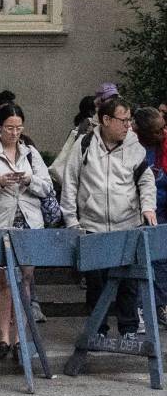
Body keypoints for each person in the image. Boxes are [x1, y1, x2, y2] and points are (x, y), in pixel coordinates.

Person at [60, 97, 157, 342]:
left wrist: (148, 208)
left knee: (128, 283)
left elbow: (146, 182)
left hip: (128, 225)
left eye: (129, 121)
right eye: (123, 120)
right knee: (96, 284)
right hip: (93, 227)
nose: (128, 126)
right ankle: (98, 330)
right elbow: (70, 184)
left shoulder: (135, 146)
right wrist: (72, 221)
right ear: (106, 120)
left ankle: (129, 330)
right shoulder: (84, 144)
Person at [0, 104, 54, 360]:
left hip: (27, 222)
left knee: (25, 278)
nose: (14, 133)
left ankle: (19, 338)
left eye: (18, 128)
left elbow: (47, 186)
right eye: (9, 128)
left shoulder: (31, 154)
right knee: (0, 281)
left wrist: (29, 180)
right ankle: (4, 337)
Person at [133, 107, 167, 328]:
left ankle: (161, 306)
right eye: (158, 130)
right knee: (139, 264)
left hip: (162, 213)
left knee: (162, 262)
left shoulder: (163, 148)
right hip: (138, 213)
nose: (163, 132)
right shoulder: (134, 150)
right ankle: (140, 309)